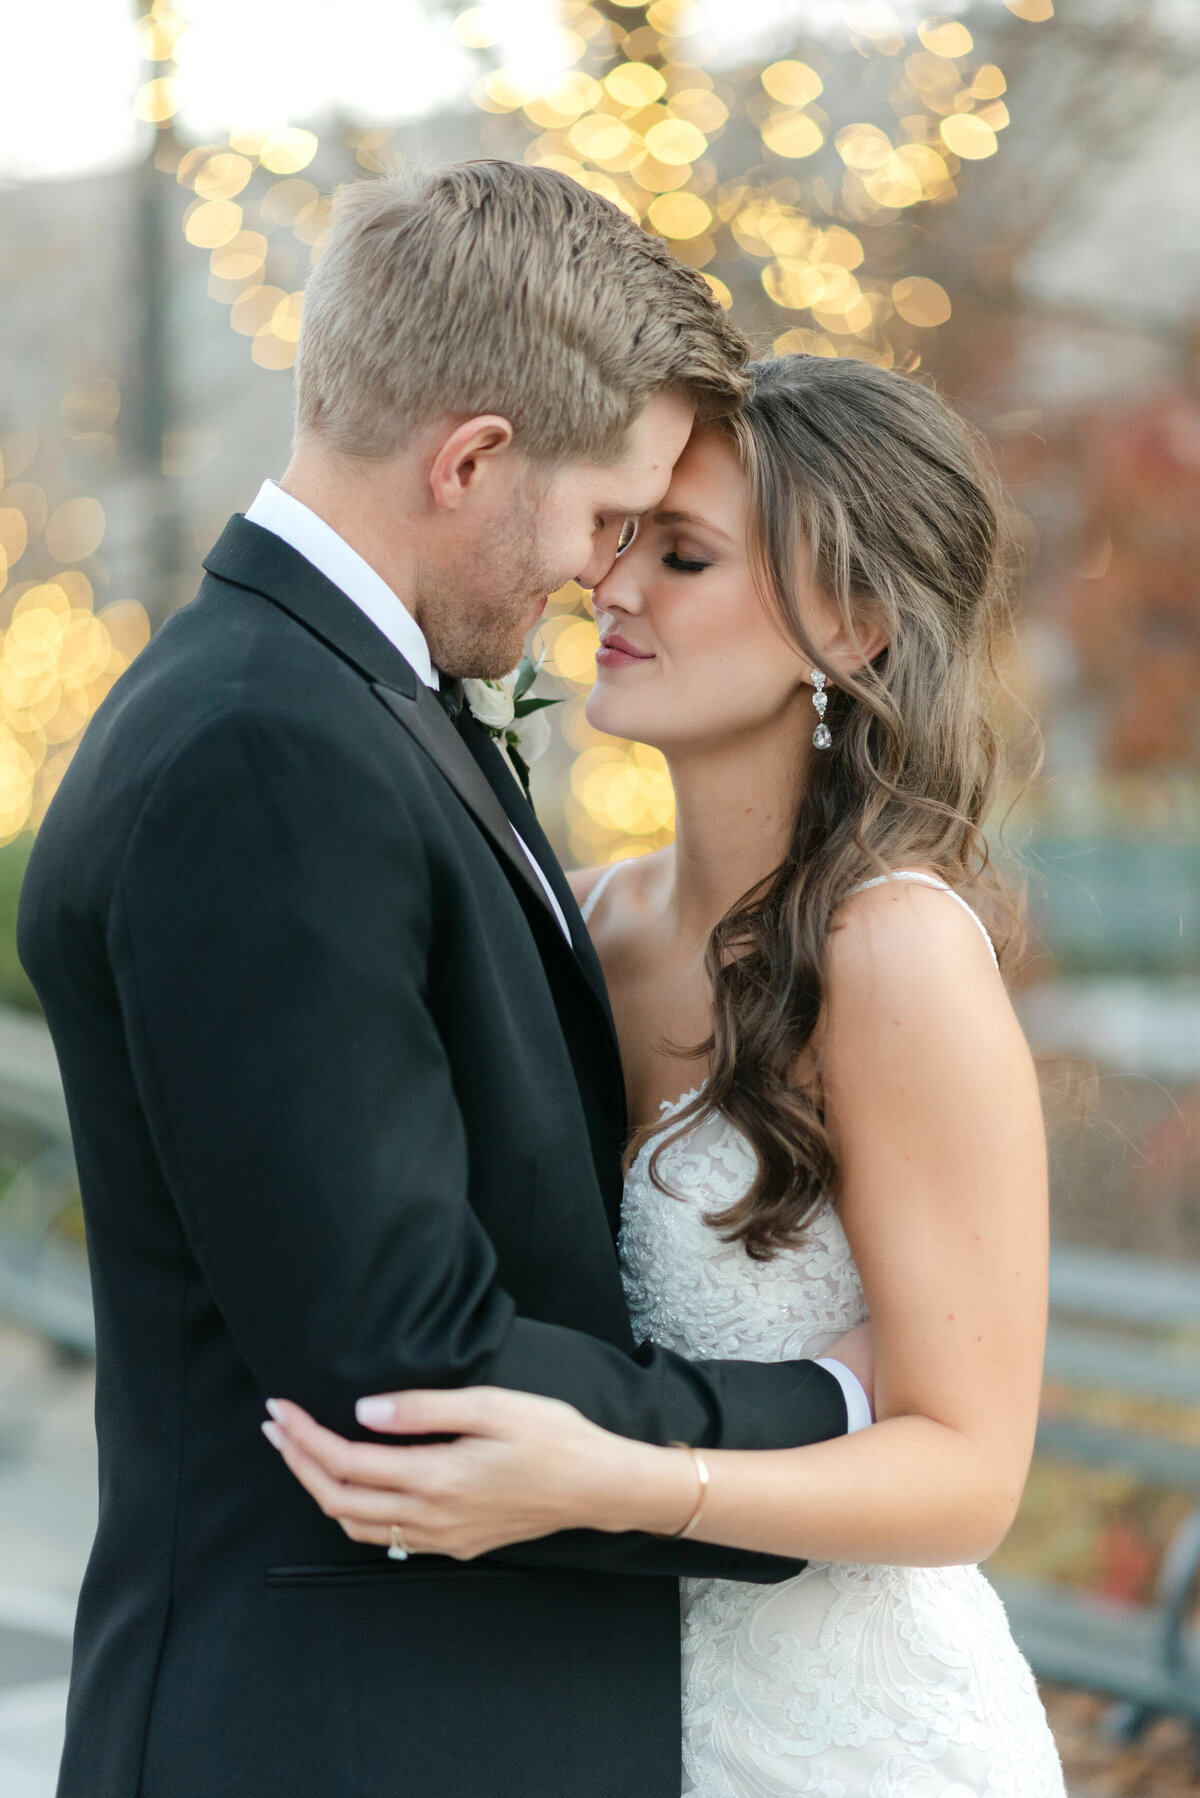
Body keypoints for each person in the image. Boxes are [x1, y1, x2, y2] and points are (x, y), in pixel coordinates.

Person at [17, 167, 873, 1798]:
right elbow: (402, 1360)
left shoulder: (313, 704)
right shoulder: (268, 750)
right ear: (473, 457)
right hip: (343, 1734)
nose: (600, 570)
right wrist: (828, 1404)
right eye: (604, 513)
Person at [265, 354, 1068, 1795]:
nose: (609, 586)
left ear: (855, 624)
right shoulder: (577, 919)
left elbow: (971, 1470)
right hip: (590, 1724)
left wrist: (611, 1478)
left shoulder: (889, 957)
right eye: (622, 536)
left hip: (851, 1742)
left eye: (682, 555)